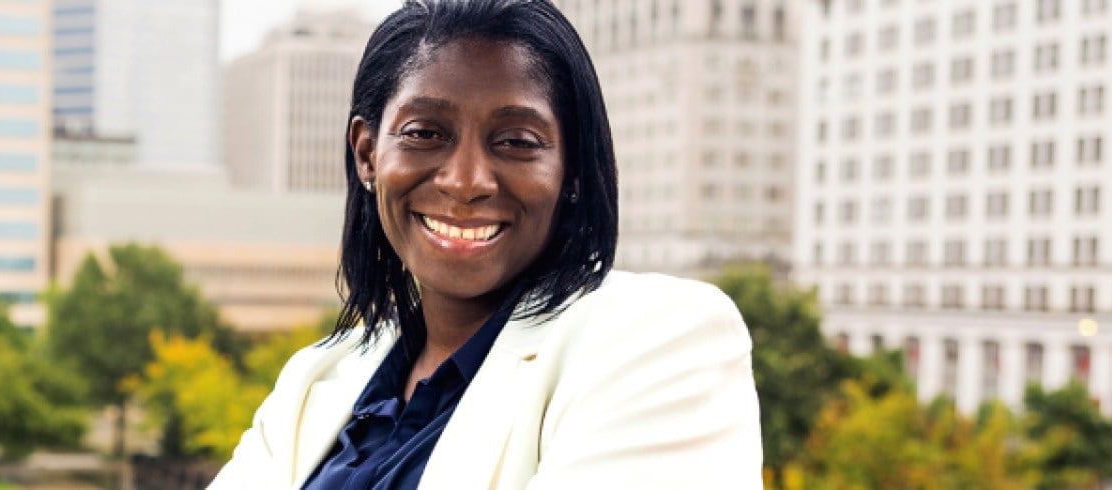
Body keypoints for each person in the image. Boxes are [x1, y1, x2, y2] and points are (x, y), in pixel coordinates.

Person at [207, 0, 762, 488]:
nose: (466, 181)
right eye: (425, 133)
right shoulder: (316, 378)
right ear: (367, 153)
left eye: (516, 142)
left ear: (570, 172)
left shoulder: (662, 341)